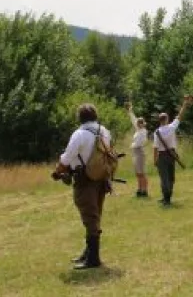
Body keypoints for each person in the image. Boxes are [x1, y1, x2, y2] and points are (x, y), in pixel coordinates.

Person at [52, 103, 112, 270]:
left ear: (80, 117)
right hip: (101, 178)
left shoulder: (79, 134)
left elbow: (66, 158)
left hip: (84, 179)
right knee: (95, 214)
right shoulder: (104, 131)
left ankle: (93, 258)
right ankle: (88, 252)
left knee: (89, 216)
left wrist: (57, 171)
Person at [152, 95, 193, 206]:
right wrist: (185, 104)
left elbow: (155, 148)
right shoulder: (171, 127)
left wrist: (155, 160)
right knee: (170, 177)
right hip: (171, 155)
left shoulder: (157, 132)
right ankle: (167, 198)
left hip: (162, 156)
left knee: (164, 177)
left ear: (159, 120)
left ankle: (166, 199)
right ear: (166, 119)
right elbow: (180, 116)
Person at [126, 102, 149, 198]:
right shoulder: (138, 130)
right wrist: (130, 110)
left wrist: (132, 145)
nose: (138, 124)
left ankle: (145, 190)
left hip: (139, 151)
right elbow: (133, 119)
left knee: (141, 172)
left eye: (140, 123)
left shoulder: (143, 131)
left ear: (143, 124)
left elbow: (139, 143)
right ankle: (139, 189)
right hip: (135, 152)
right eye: (138, 123)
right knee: (137, 172)